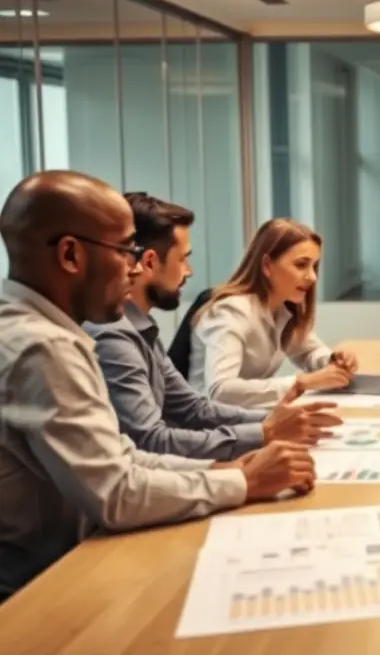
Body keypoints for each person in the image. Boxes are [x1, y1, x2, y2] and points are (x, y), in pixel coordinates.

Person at [0, 171, 315, 603]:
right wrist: (243, 482)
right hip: (38, 592)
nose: (135, 267)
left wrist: (225, 471)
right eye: (126, 251)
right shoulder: (42, 347)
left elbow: (123, 456)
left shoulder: (46, 331)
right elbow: (115, 492)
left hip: (67, 564)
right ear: (71, 254)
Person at [85, 193, 342, 460]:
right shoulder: (114, 336)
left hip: (187, 450)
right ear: (149, 261)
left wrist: (278, 420)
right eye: (182, 259)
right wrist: (264, 432)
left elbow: (194, 408)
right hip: (175, 459)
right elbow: (151, 440)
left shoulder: (142, 327)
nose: (189, 271)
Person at [189, 218, 358, 409]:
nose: (312, 277)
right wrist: (302, 383)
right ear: (267, 265)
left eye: (314, 266)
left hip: (247, 416)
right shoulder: (231, 312)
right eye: (301, 265)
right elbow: (220, 391)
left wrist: (333, 361)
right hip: (209, 421)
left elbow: (308, 351)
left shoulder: (282, 308)